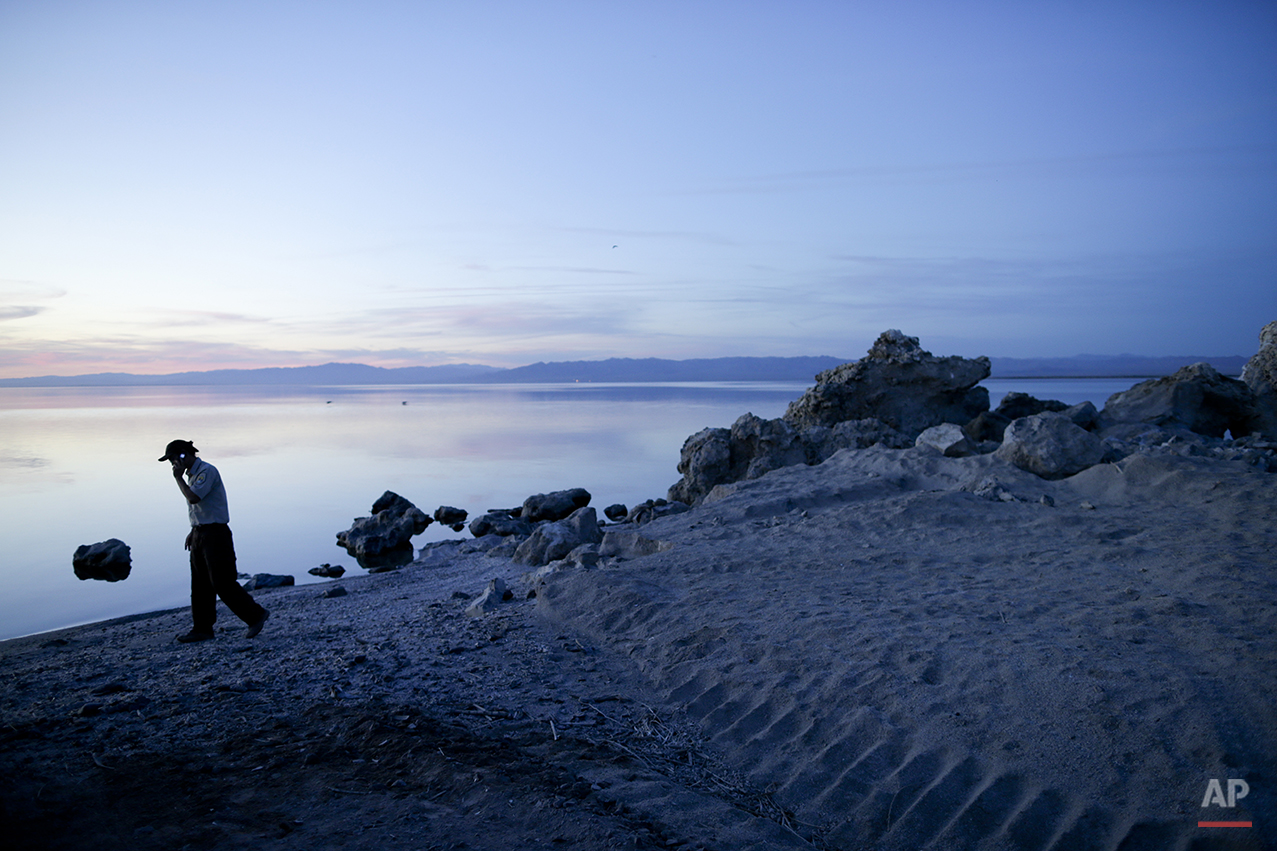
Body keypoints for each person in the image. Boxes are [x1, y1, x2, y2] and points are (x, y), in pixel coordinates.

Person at [159, 439, 269, 643]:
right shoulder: (193, 474)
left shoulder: (206, 472)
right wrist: (194, 530)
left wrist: (178, 479)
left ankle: (255, 615)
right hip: (201, 533)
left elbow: (193, 498)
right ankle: (202, 628)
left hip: (216, 534)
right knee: (200, 584)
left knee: (222, 581)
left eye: (173, 459)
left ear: (183, 454)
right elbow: (198, 509)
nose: (172, 464)